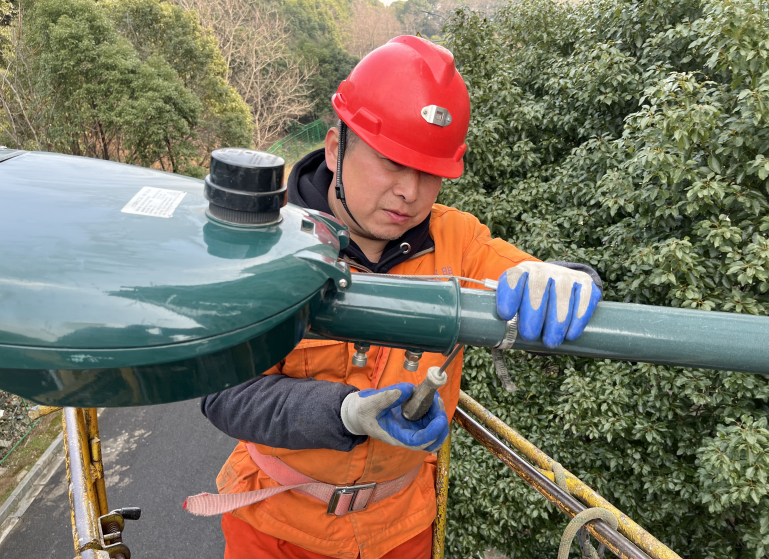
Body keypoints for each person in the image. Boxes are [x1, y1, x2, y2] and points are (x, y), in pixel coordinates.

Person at [196, 35, 602, 559]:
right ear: (335, 148)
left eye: (430, 172)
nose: (410, 192)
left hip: (401, 528)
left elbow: (535, 274)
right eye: (391, 161)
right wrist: (343, 413)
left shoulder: (458, 241)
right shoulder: (266, 244)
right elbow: (222, 393)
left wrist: (571, 278)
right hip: (276, 525)